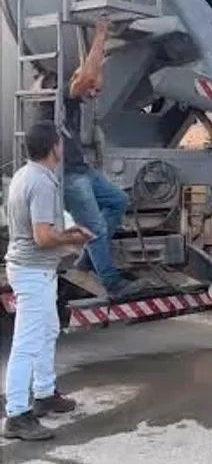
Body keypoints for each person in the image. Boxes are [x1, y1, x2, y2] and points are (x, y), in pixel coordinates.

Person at [3, 121, 94, 441]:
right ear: (53, 147)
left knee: (48, 331)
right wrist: (71, 238)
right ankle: (16, 414)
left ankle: (43, 394)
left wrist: (66, 236)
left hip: (35, 269)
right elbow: (42, 237)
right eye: (61, 142)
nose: (63, 147)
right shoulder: (40, 182)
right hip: (33, 271)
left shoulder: (25, 175)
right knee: (27, 343)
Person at [39, 19, 141, 301]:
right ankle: (111, 282)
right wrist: (101, 35)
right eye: (89, 88)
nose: (92, 93)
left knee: (118, 201)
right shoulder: (56, 99)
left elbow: (87, 77)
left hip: (81, 170)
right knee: (94, 227)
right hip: (69, 176)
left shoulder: (67, 102)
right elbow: (85, 78)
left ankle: (89, 257)